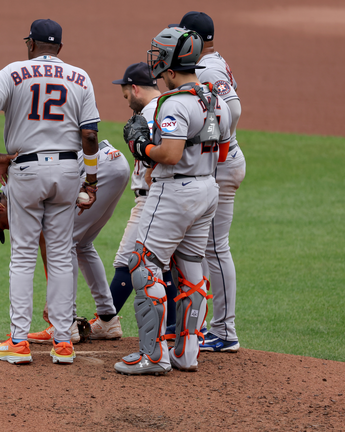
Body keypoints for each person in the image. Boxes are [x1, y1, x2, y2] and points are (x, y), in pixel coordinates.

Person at [0, 19, 101, 365]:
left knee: (24, 256)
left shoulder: (13, 72)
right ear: (60, 48)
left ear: (30, 44)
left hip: (26, 170)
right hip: (68, 171)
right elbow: (90, 135)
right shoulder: (80, 77)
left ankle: (18, 342)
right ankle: (63, 343)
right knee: (60, 256)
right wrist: (91, 180)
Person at [113, 27, 232, 375]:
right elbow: (223, 152)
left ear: (168, 62)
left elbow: (169, 154)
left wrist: (140, 146)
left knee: (144, 264)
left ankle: (152, 355)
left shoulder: (174, 104)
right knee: (192, 268)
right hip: (208, 188)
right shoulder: (217, 100)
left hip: (175, 192)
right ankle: (186, 353)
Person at [0, 141, 129, 344]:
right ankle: (107, 319)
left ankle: (66, 323)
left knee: (67, 242)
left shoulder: (18, 191)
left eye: (3, 225)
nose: (9, 228)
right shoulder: (16, 185)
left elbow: (45, 241)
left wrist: (53, 301)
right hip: (114, 162)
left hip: (98, 168)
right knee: (82, 244)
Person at [172, 12, 246, 353]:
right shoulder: (213, 61)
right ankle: (201, 325)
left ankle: (225, 331)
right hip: (220, 162)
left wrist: (215, 141)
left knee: (215, 247)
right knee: (202, 246)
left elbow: (233, 108)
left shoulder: (207, 69)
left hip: (222, 164)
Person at [108, 62, 179, 336]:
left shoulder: (151, 111)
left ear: (135, 88)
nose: (127, 102)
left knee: (126, 260)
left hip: (151, 198)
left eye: (127, 95)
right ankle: (173, 325)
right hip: (171, 196)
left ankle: (106, 320)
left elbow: (161, 150)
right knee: (163, 263)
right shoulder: (170, 105)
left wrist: (151, 170)